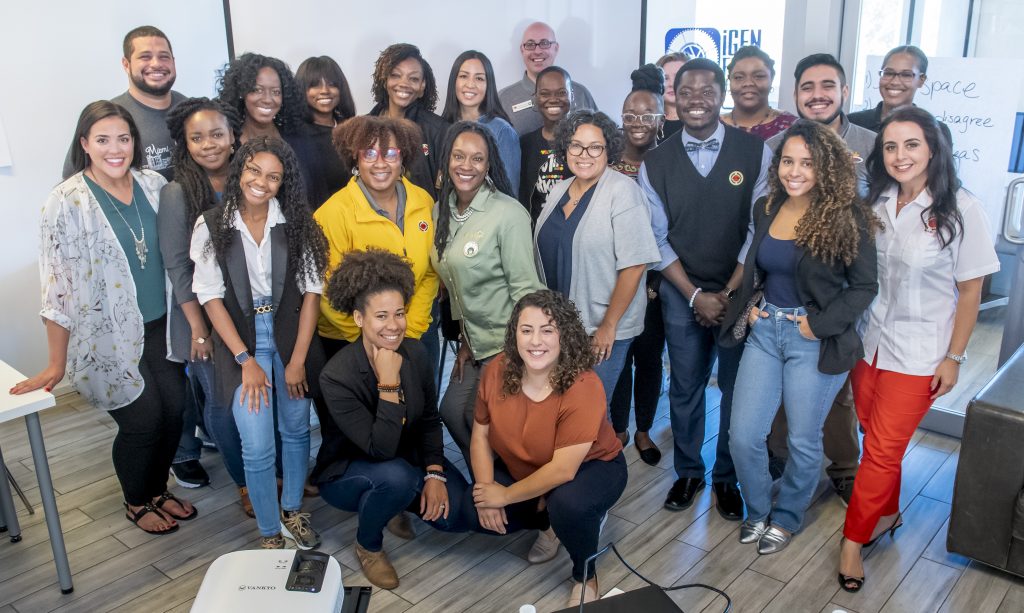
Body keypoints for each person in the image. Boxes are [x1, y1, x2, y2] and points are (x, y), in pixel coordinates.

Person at [837, 106, 999, 592]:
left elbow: (971, 289)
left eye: (911, 145)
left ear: (933, 148)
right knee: (871, 435)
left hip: (922, 352)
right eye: (890, 146)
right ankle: (886, 513)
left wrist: (954, 357)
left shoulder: (962, 207)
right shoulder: (877, 200)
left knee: (884, 452)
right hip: (869, 345)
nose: (900, 155)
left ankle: (852, 542)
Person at [14, 101, 194, 536]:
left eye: (124, 138)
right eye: (103, 140)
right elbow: (57, 289)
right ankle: (137, 499)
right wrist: (56, 364)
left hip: (160, 325)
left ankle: (157, 488)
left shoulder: (154, 185)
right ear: (84, 145)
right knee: (143, 419)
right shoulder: (66, 201)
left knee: (174, 410)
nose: (116, 149)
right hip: (106, 335)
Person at [724, 120, 879, 555]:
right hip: (765, 330)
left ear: (826, 167)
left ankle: (788, 517)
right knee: (743, 435)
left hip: (813, 337)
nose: (795, 171)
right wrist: (753, 306)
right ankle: (757, 511)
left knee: (802, 440)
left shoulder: (849, 217)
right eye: (788, 161)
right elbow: (763, 265)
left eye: (807, 163)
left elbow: (865, 287)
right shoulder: (769, 206)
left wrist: (820, 324)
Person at [639, 58, 772, 521]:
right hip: (681, 289)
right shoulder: (655, 162)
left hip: (740, 291)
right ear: (674, 96)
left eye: (707, 89)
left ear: (722, 95)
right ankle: (690, 472)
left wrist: (729, 292)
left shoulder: (755, 152)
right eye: (687, 90)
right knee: (686, 385)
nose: (698, 99)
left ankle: (725, 479)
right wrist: (695, 295)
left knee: (736, 389)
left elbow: (761, 229)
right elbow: (655, 238)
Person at [190, 136, 329, 549]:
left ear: (282, 183)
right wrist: (244, 358)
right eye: (254, 170)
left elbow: (311, 297)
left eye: (273, 177)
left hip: (290, 338)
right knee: (256, 444)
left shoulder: (298, 224)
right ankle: (270, 530)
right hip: (240, 342)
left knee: (296, 429)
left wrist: (298, 360)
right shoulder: (211, 224)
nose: (261, 182)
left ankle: (292, 511)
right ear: (240, 169)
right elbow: (210, 298)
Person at [316, 249, 471, 589]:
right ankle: (368, 545)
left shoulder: (415, 352)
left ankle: (394, 504)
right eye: (381, 316)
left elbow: (430, 420)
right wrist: (388, 383)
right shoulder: (336, 376)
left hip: (408, 460)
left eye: (399, 313)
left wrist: (434, 473)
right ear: (359, 319)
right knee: (396, 477)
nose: (394, 325)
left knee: (459, 517)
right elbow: (380, 450)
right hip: (349, 472)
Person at [765, 53, 877, 505]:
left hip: (848, 284)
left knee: (838, 385)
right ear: (796, 95)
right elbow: (767, 206)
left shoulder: (871, 143)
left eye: (827, 85)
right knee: (783, 385)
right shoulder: (778, 145)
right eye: (807, 87)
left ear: (844, 91)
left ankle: (845, 466)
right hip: (788, 282)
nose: (818, 95)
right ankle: (778, 456)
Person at [469, 290, 627, 608]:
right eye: (526, 330)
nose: (535, 341)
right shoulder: (497, 369)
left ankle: (586, 576)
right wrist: (486, 491)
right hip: (529, 465)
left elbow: (563, 469)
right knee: (466, 509)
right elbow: (480, 436)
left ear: (563, 335)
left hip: (592, 466)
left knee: (568, 505)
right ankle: (549, 522)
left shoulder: (584, 385)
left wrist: (504, 496)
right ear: (514, 335)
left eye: (547, 330)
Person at [312, 116, 440, 482]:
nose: (380, 162)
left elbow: (429, 272)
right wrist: (375, 341)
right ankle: (366, 486)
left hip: (412, 330)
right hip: (351, 338)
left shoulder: (422, 201)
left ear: (405, 157)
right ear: (355, 158)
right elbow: (327, 292)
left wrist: (407, 330)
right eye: (369, 153)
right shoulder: (333, 214)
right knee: (366, 424)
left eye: (390, 153)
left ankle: (416, 482)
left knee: (413, 410)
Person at [431, 121, 543, 464]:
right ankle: (490, 478)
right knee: (451, 412)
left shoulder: (508, 214)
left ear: (489, 164)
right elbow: (455, 285)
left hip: (508, 346)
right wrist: (465, 341)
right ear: (446, 160)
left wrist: (519, 356)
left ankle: (518, 488)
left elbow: (528, 294)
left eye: (477, 159)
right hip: (475, 344)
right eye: (459, 156)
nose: (467, 166)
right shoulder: (441, 210)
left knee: (487, 421)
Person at [535, 110, 660, 407]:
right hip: (560, 324)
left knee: (588, 416)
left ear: (609, 150)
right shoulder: (559, 190)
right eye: (576, 145)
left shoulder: (623, 193)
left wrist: (608, 326)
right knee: (561, 407)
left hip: (601, 330)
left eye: (595, 147)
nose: (584, 154)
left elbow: (635, 265)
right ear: (565, 148)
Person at [159, 97, 249, 507]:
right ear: (185, 143)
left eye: (216, 134)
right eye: (197, 138)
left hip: (245, 311)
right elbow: (179, 268)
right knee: (222, 404)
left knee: (254, 398)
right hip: (200, 318)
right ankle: (245, 481)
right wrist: (199, 328)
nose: (208, 144)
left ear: (234, 136)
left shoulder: (248, 180)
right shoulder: (178, 192)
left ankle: (271, 468)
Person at [609, 64, 667, 465]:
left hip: (660, 282)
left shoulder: (669, 165)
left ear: (662, 119)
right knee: (618, 359)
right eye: (631, 116)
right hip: (614, 281)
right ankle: (616, 429)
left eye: (648, 116)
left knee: (648, 359)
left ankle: (643, 429)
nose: (638, 123)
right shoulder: (606, 163)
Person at [62, 26, 185, 180]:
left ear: (173, 62)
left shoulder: (189, 108)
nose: (156, 64)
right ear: (126, 64)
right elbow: (72, 182)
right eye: (145, 57)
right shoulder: (108, 118)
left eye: (164, 56)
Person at [368, 43, 448, 198]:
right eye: (395, 75)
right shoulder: (364, 127)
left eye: (413, 78)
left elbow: (445, 191)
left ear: (422, 85)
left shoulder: (439, 131)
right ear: (384, 80)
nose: (403, 83)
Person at [441, 50, 521, 195]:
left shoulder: (501, 131)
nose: (470, 84)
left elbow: (510, 194)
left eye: (479, 78)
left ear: (488, 85)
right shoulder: (441, 127)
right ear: (454, 80)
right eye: (464, 76)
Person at [498, 21, 598, 135]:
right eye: (530, 44)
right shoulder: (504, 99)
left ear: (556, 48)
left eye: (544, 43)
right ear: (522, 50)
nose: (537, 51)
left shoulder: (581, 94)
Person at [292, 55, 357, 208]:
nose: (325, 91)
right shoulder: (295, 138)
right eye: (315, 85)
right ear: (302, 90)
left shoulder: (353, 129)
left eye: (332, 84)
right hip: (321, 221)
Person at [519, 66, 574, 223]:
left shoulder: (584, 144)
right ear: (536, 98)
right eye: (544, 94)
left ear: (572, 95)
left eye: (561, 93)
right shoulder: (524, 144)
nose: (553, 99)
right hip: (534, 237)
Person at [217, 53, 304, 145]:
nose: (267, 100)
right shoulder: (229, 143)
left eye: (276, 92)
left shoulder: (297, 141)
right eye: (258, 90)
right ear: (241, 91)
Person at [721, 46, 797, 141]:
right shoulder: (713, 126)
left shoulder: (791, 127)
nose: (748, 83)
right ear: (729, 80)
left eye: (759, 76)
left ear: (772, 79)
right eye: (739, 77)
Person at [849, 46, 929, 133]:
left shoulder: (933, 130)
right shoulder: (852, 124)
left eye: (906, 75)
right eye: (888, 73)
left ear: (921, 80)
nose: (895, 82)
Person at [656, 52, 689, 142]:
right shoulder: (649, 122)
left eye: (678, 77)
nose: (671, 84)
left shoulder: (702, 122)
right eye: (666, 78)